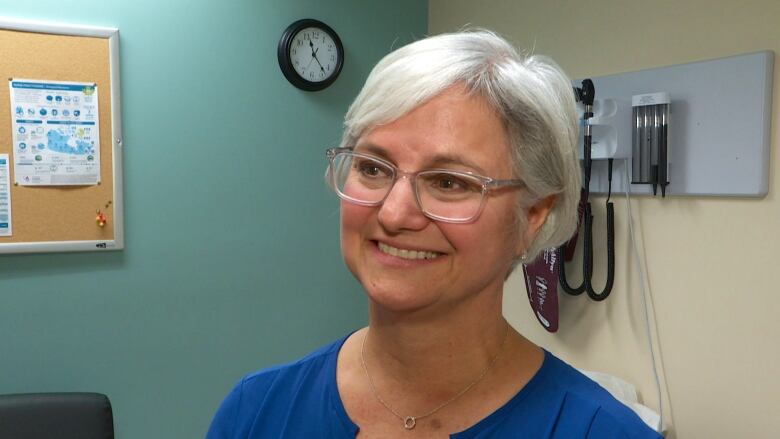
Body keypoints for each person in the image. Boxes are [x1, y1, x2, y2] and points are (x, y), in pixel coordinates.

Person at [207, 30, 662, 438]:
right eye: (372, 167)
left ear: (534, 215)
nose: (395, 213)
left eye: (449, 182)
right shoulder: (257, 411)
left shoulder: (598, 430)